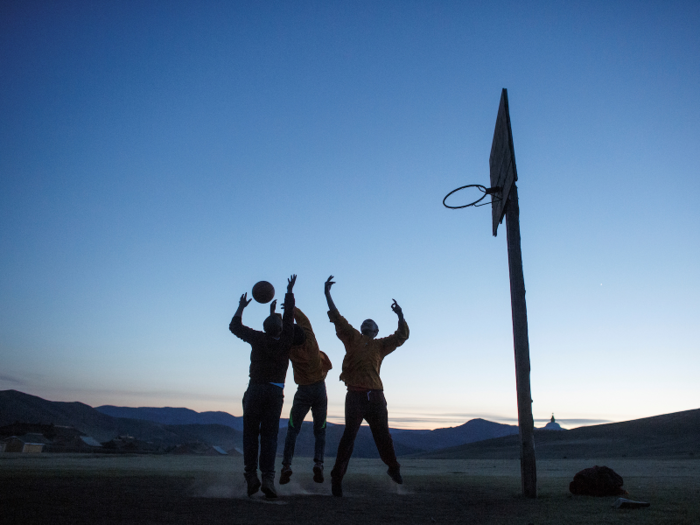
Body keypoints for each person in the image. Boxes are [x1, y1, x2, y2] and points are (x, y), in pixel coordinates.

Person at [324, 275, 409, 497]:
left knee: (383, 437)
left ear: (376, 331)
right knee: (348, 437)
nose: (366, 323)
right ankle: (336, 479)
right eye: (364, 323)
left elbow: (402, 336)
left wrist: (400, 315)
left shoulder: (381, 346)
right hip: (354, 396)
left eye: (370, 324)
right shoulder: (351, 337)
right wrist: (328, 294)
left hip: (376, 397)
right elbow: (337, 318)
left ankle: (394, 468)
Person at [229, 274, 296, 499]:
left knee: (250, 435)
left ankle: (250, 475)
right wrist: (289, 292)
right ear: (280, 329)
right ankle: (268, 478)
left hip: (255, 390)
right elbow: (287, 322)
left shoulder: (258, 338)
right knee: (269, 436)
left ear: (265, 327)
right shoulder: (286, 340)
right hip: (275, 392)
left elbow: (235, 326)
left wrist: (241, 307)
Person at [277, 304, 333, 485]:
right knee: (320, 429)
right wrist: (292, 308)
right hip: (319, 390)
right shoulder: (311, 341)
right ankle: (319, 463)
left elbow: (279, 332)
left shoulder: (289, 350)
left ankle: (286, 465)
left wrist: (277, 315)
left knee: (293, 429)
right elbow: (305, 322)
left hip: (303, 392)